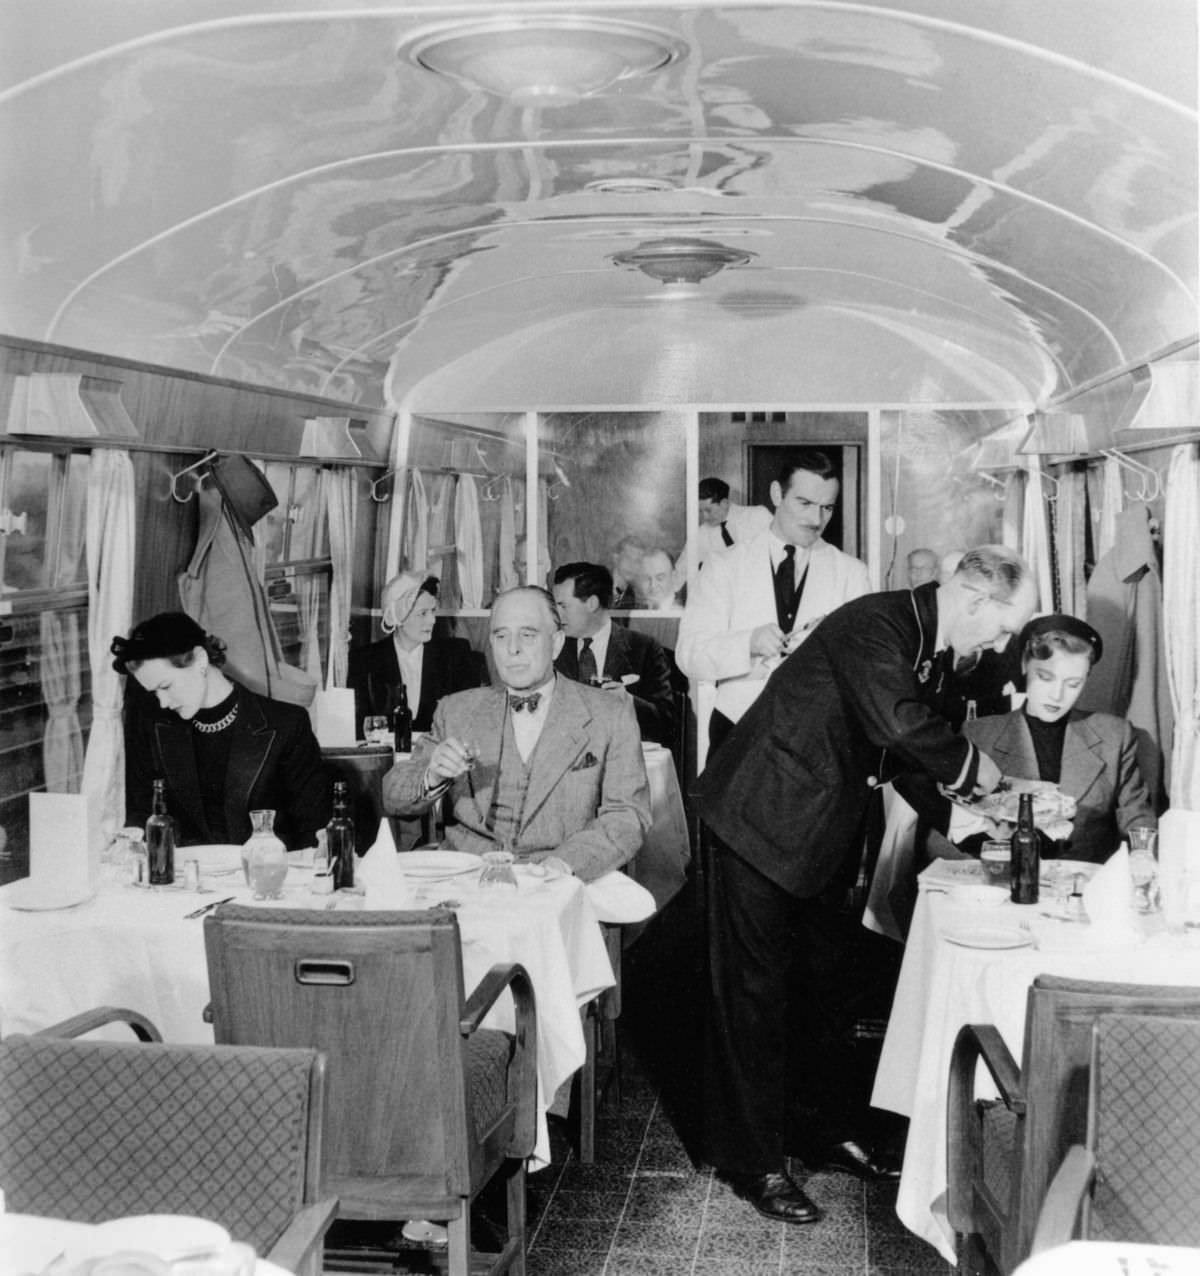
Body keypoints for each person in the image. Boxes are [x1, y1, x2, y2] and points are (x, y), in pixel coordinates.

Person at [694, 545, 1038, 1224]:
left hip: (817, 825)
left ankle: (816, 1129)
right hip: (759, 816)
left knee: (827, 986)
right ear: (972, 599)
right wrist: (987, 776)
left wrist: (979, 829)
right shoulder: (876, 625)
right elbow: (899, 725)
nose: (995, 645)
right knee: (755, 995)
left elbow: (906, 760)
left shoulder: (932, 646)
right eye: (998, 629)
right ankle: (754, 1161)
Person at [383, 586, 651, 881]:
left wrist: (564, 865)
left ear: (557, 643)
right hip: (468, 883)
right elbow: (393, 796)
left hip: (561, 881)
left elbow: (627, 816)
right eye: (501, 636)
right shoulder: (456, 710)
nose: (513, 649)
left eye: (528, 635)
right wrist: (431, 775)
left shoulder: (609, 713)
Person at [677, 450, 872, 753]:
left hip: (818, 741)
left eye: (827, 508)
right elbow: (690, 654)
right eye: (805, 503)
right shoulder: (723, 566)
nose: (815, 519)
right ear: (777, 494)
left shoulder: (852, 574)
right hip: (738, 732)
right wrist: (748, 643)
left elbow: (864, 670)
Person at [113, 611, 330, 849]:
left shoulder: (287, 724)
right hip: (184, 880)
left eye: (166, 686)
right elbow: (140, 814)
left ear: (200, 660)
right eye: (154, 692)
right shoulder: (151, 727)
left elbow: (314, 832)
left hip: (265, 876)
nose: (163, 702)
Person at [951, 614, 1156, 863]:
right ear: (1025, 665)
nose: (1057, 695)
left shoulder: (1115, 735)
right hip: (1003, 888)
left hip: (1085, 890)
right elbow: (948, 833)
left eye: (1073, 683)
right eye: (1046, 678)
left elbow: (1138, 820)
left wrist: (1142, 856)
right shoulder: (979, 734)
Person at [552, 562, 678, 747]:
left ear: (592, 604)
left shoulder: (644, 649)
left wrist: (628, 702)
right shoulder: (554, 647)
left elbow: (667, 724)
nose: (557, 614)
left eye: (563, 606)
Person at [347, 570, 486, 735]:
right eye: (423, 613)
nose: (432, 620)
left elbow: (469, 722)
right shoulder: (364, 660)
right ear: (398, 615)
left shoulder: (455, 655)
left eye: (433, 611)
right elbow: (358, 728)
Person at [694, 476, 771, 569]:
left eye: (708, 510)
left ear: (724, 503)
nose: (704, 517)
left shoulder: (758, 516)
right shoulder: (702, 533)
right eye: (700, 511)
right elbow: (683, 570)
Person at [611, 535, 649, 609]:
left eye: (637, 561)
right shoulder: (596, 585)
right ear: (616, 558)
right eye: (628, 558)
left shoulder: (641, 600)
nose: (632, 565)